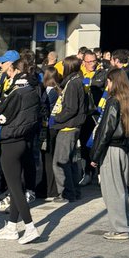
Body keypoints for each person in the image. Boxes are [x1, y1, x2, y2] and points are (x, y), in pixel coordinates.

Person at [0, 59, 41, 244]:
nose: (7, 74)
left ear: (15, 72)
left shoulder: (17, 93)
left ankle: (29, 226)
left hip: (11, 141)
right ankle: (12, 226)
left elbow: (1, 117)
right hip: (23, 140)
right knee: (16, 186)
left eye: (9, 71)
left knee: (15, 188)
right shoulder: (33, 91)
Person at [91, 67, 129, 239]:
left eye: (109, 81)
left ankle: (120, 228)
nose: (107, 84)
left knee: (112, 190)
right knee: (121, 190)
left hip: (111, 149)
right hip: (124, 150)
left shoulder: (113, 101)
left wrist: (95, 155)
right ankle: (127, 223)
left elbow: (106, 130)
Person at [51, 55, 90, 200]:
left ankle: (66, 193)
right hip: (73, 126)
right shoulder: (75, 81)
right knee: (71, 161)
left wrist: (57, 118)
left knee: (60, 162)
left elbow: (71, 108)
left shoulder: (73, 83)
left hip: (68, 127)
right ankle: (74, 191)